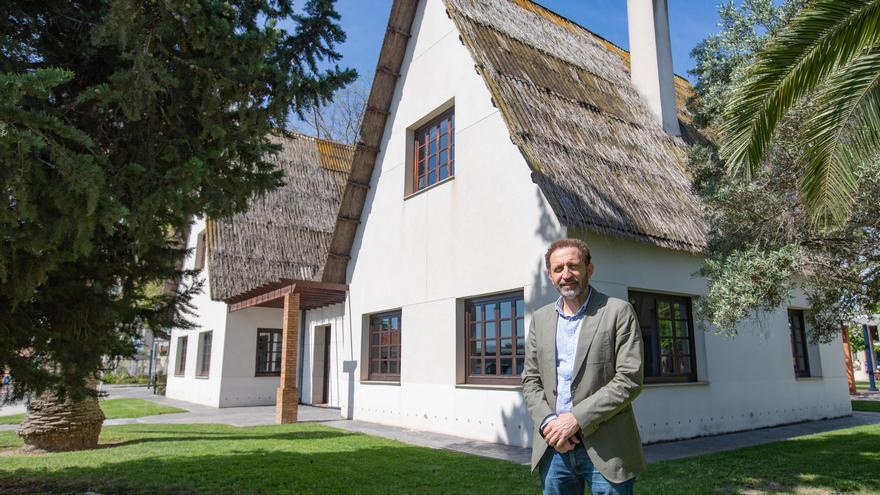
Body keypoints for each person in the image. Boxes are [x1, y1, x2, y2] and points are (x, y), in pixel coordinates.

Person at [522, 238, 646, 495]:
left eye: (573, 266)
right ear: (550, 275)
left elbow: (629, 379)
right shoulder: (540, 319)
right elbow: (531, 380)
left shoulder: (618, 312)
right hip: (554, 447)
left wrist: (575, 420)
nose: (565, 274)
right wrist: (548, 424)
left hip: (607, 448)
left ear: (589, 269)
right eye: (558, 269)